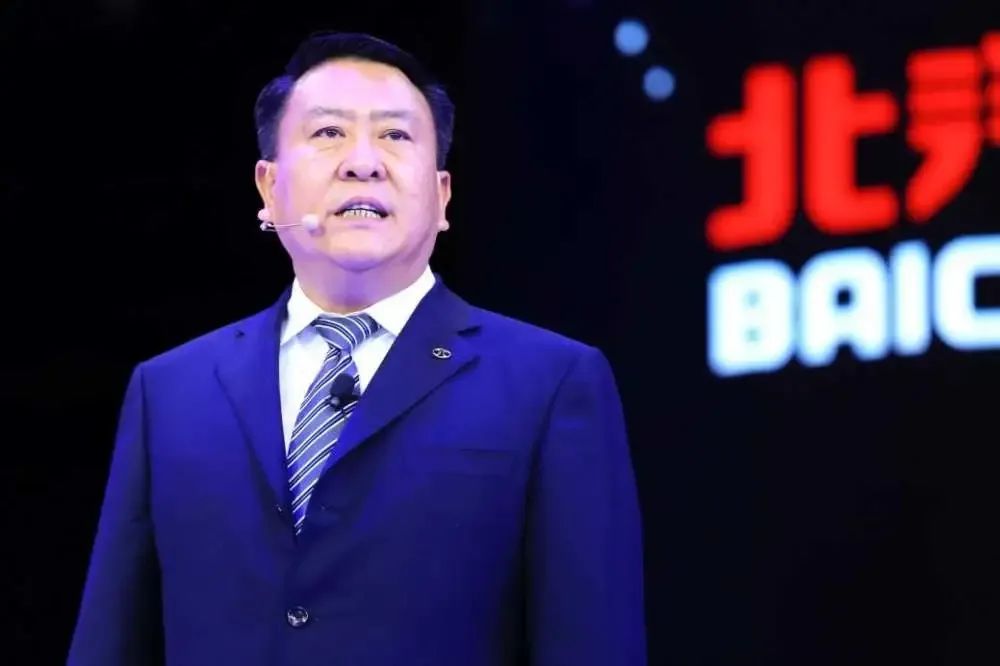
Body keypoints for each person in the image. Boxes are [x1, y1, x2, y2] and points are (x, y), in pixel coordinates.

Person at [67, 31, 647, 666]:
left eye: (395, 135)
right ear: (268, 188)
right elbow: (113, 639)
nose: (363, 162)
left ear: (442, 197)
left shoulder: (550, 382)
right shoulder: (171, 389)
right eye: (328, 133)